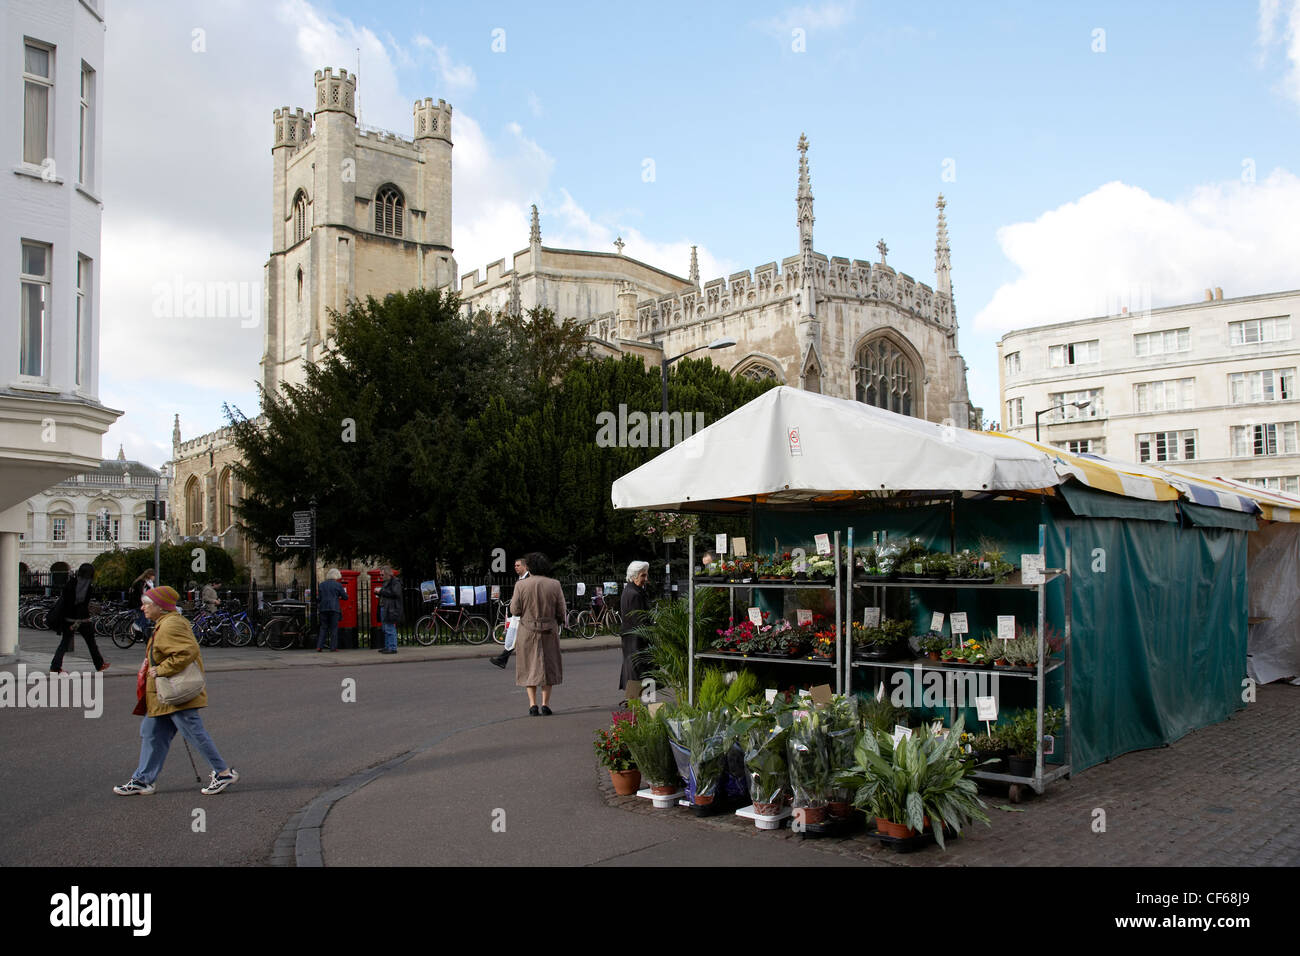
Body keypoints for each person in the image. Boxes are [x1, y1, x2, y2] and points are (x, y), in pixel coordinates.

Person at [113, 586, 239, 796]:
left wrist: (160, 669)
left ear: (160, 607)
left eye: (147, 604)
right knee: (151, 733)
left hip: (175, 691)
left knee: (194, 733)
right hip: (164, 694)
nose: (142, 607)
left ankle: (223, 772)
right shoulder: (165, 623)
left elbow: (187, 652)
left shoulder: (171, 624)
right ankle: (143, 780)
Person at [510, 552, 565, 715]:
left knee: (529, 666)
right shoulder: (555, 584)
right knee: (548, 666)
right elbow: (561, 611)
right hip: (549, 630)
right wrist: (558, 621)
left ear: (529, 567)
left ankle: (532, 704)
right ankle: (545, 704)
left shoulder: (521, 585)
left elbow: (514, 609)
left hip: (527, 631)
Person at [50, 563, 109, 673]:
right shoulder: (88, 586)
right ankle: (99, 664)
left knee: (64, 643)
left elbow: (66, 602)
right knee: (91, 643)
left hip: (68, 618)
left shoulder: (71, 583)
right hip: (82, 619)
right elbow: (83, 605)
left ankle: (55, 667)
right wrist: (79, 620)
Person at [489, 556, 529, 669]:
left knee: (518, 638)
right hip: (517, 614)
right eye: (515, 565)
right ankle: (503, 660)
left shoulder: (528, 579)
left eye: (518, 565)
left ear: (524, 566)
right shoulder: (520, 579)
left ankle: (503, 659)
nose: (515, 567)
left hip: (524, 615)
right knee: (512, 637)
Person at [619, 561, 652, 692]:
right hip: (635, 638)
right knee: (636, 670)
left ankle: (634, 700)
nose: (646, 579)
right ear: (634, 576)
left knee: (635, 669)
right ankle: (633, 700)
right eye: (643, 575)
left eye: (646, 575)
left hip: (632, 637)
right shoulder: (634, 594)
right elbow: (638, 619)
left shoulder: (632, 590)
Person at [316, 568, 347, 652]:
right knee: (334, 628)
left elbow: (319, 598)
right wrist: (339, 596)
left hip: (323, 608)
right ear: (336, 575)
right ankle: (333, 647)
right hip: (334, 608)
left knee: (323, 628)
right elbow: (345, 597)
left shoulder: (322, 584)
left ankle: (319, 646)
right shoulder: (338, 585)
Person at [377, 567, 403, 654]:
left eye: (382, 574)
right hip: (385, 607)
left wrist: (381, 591)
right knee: (385, 628)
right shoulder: (386, 582)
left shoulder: (395, 582)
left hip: (391, 609)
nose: (381, 576)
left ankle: (392, 647)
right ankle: (387, 646)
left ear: (388, 574)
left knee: (390, 628)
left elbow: (395, 593)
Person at [127, 567, 155, 637]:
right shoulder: (142, 582)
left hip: (139, 602)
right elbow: (142, 593)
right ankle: (136, 625)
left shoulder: (146, 582)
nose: (154, 577)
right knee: (146, 616)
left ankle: (143, 635)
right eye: (153, 575)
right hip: (137, 603)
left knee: (147, 619)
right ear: (149, 575)